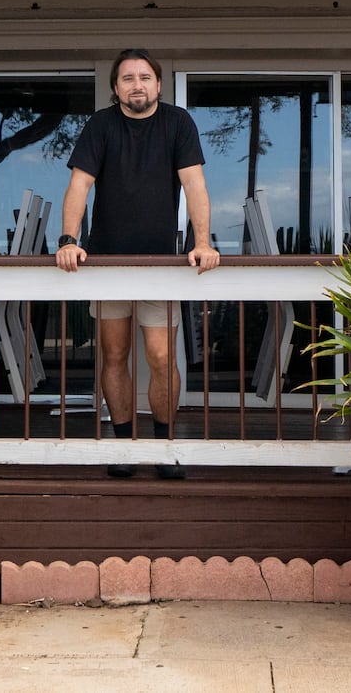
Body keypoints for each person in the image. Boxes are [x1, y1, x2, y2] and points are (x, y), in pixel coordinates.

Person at [55, 48, 220, 479]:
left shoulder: (178, 123)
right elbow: (78, 185)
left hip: (160, 264)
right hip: (107, 262)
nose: (137, 85)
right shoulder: (101, 125)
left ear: (158, 84)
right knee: (114, 355)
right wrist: (69, 240)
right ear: (116, 88)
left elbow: (195, 185)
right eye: (127, 78)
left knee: (163, 357)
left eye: (145, 77)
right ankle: (124, 444)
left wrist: (202, 242)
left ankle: (165, 445)